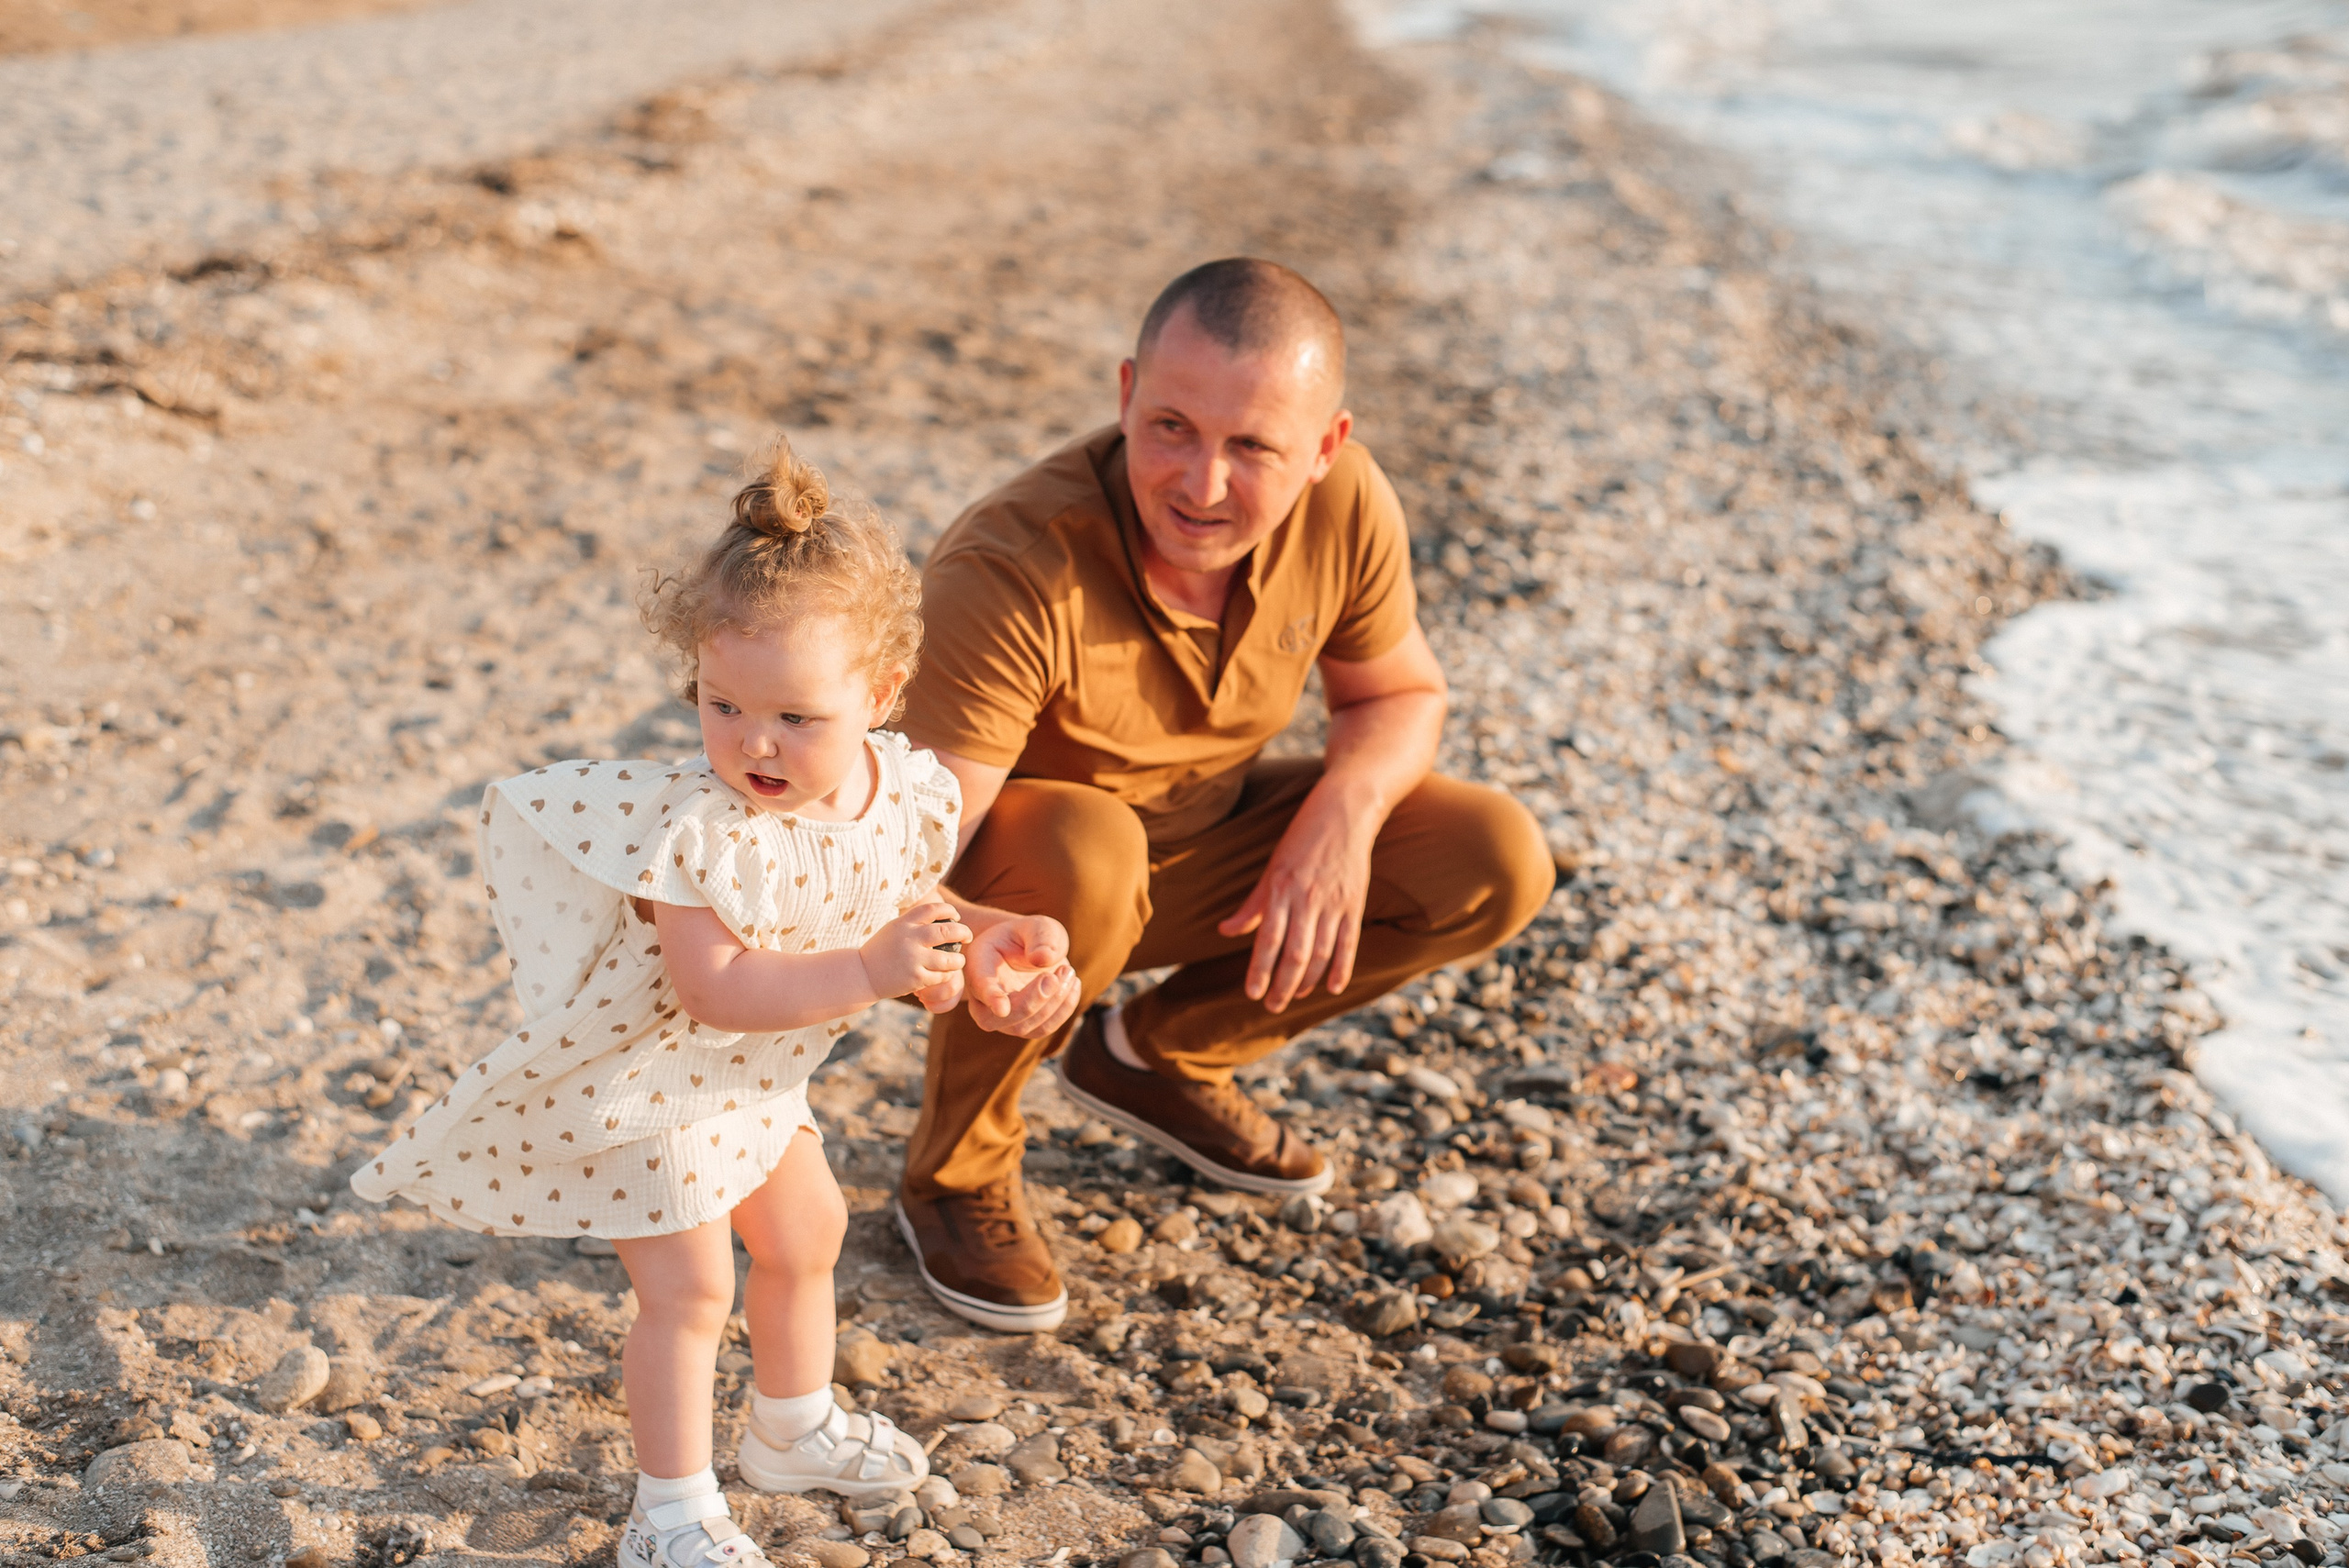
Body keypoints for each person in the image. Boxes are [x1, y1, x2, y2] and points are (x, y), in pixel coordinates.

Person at [350, 441, 1078, 1568]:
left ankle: (790, 1425)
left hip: (752, 1080)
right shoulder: (694, 830)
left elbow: (907, 898)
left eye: (795, 715)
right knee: (690, 1289)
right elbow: (717, 987)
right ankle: (671, 1509)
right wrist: (876, 972)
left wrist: (985, 941)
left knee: (809, 1234)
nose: (754, 742)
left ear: (880, 695)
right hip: (650, 1082)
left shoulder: (899, 790)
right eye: (722, 702)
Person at [895, 257, 1555, 1333]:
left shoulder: (1345, 505)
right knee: (1089, 845)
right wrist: (948, 948)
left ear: (1325, 447)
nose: (1201, 483)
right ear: (1122, 394)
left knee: (1490, 853)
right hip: (1016, 891)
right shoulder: (1012, 563)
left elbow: (1400, 692)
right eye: (1169, 427)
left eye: (1252, 446)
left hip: (1204, 852)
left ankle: (1153, 1052)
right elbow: (908, 851)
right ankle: (954, 1170)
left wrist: (1343, 813)